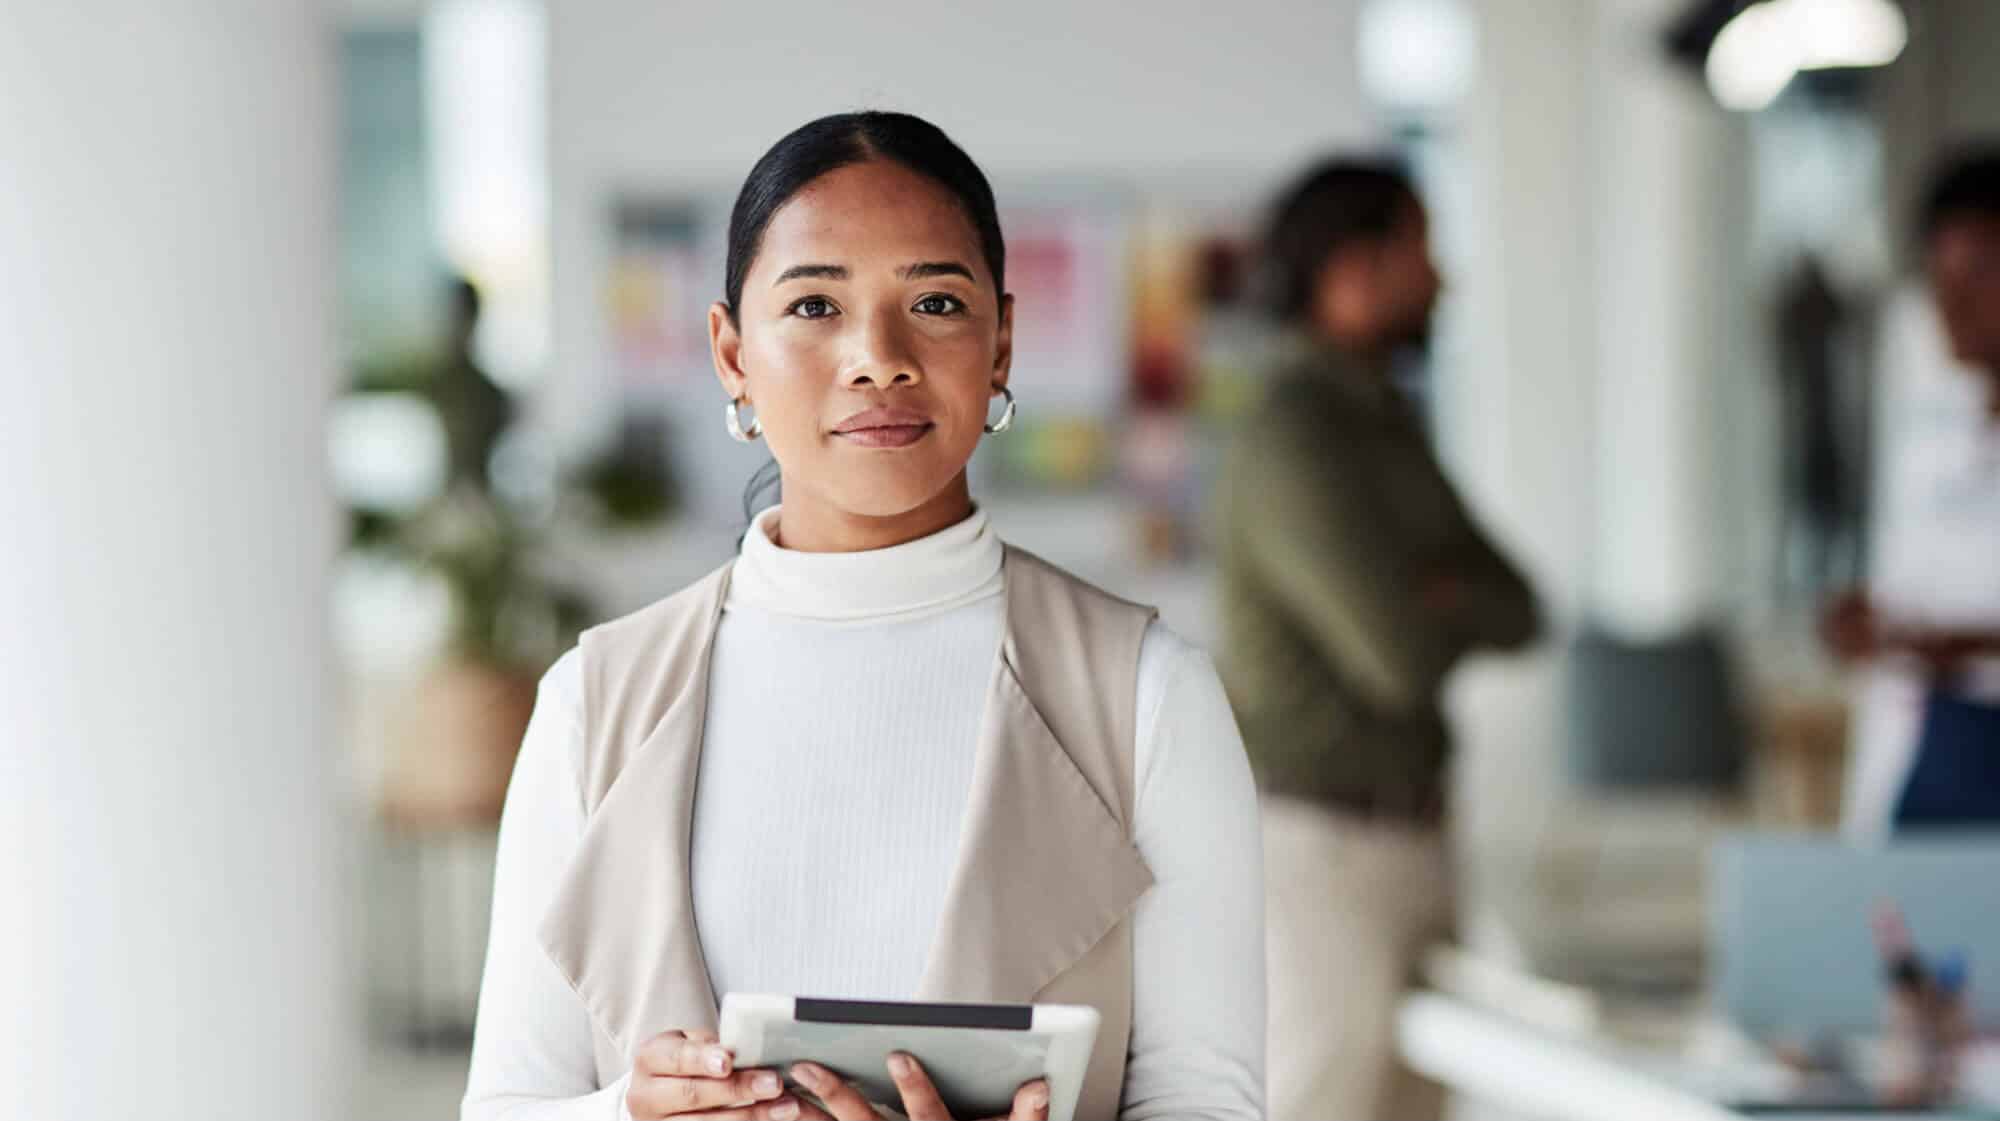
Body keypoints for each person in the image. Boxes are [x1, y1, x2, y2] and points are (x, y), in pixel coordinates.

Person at [461, 112, 1265, 1121]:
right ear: (729, 351)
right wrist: (630, 1109)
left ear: (1001, 338)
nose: (875, 357)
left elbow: (1211, 1100)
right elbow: (504, 1104)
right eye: (812, 305)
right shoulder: (594, 701)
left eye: (933, 300)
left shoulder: (1147, 692)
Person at [1219, 160, 1539, 1121]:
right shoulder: (1294, 432)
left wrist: (1435, 593)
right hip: (1322, 845)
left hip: (1415, 831)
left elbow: (1519, 603)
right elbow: (1397, 656)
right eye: (1420, 250)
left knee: (1414, 1105)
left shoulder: (1385, 417)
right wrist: (1433, 590)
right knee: (1329, 1095)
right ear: (1353, 268)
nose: (1440, 278)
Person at [1830, 146, 2000, 834]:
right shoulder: (1932, 442)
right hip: (1928, 754)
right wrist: (1869, 620)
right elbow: (1911, 595)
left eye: (1982, 272)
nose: (1953, 300)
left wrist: (1968, 649)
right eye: (1940, 275)